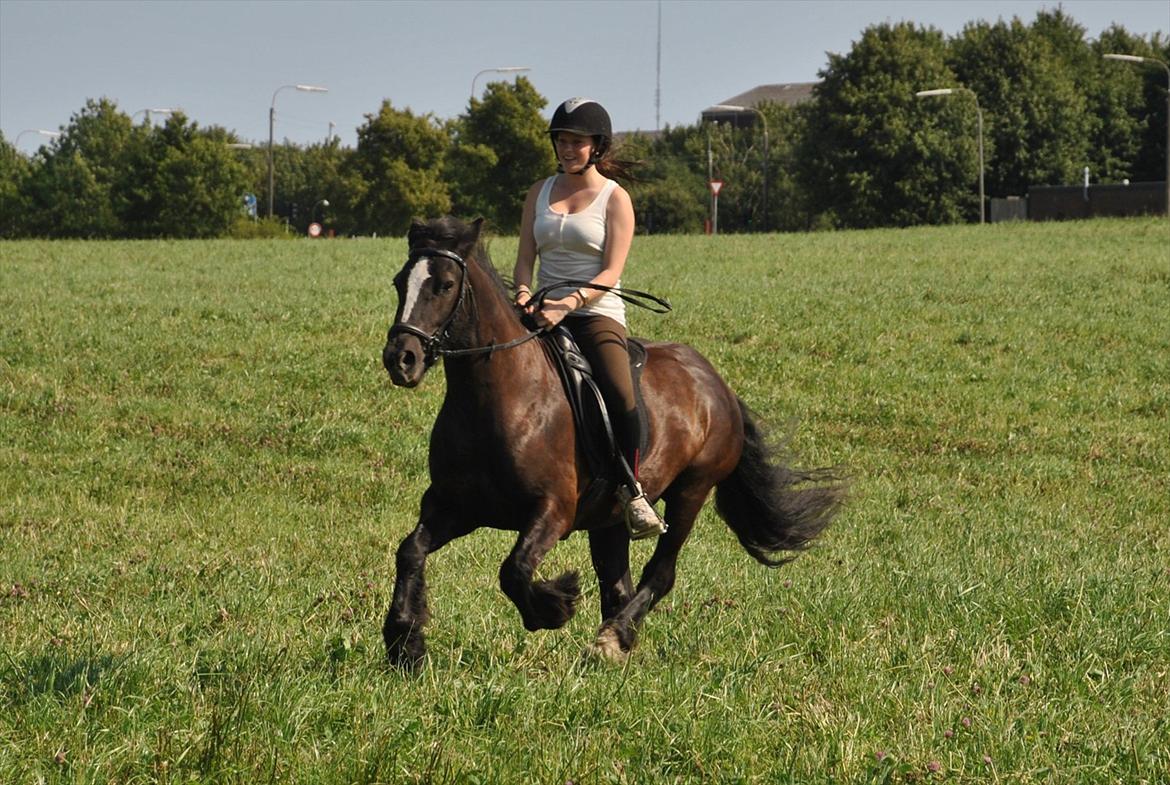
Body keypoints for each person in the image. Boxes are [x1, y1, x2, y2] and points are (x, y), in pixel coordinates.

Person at [513, 97, 667, 540]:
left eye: (575, 142)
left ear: (597, 147)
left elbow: (611, 272)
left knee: (621, 395)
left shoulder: (615, 199)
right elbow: (525, 257)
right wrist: (524, 291)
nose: (566, 148)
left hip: (595, 313)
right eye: (561, 140)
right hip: (542, 310)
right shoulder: (539, 192)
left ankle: (632, 490)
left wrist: (569, 304)